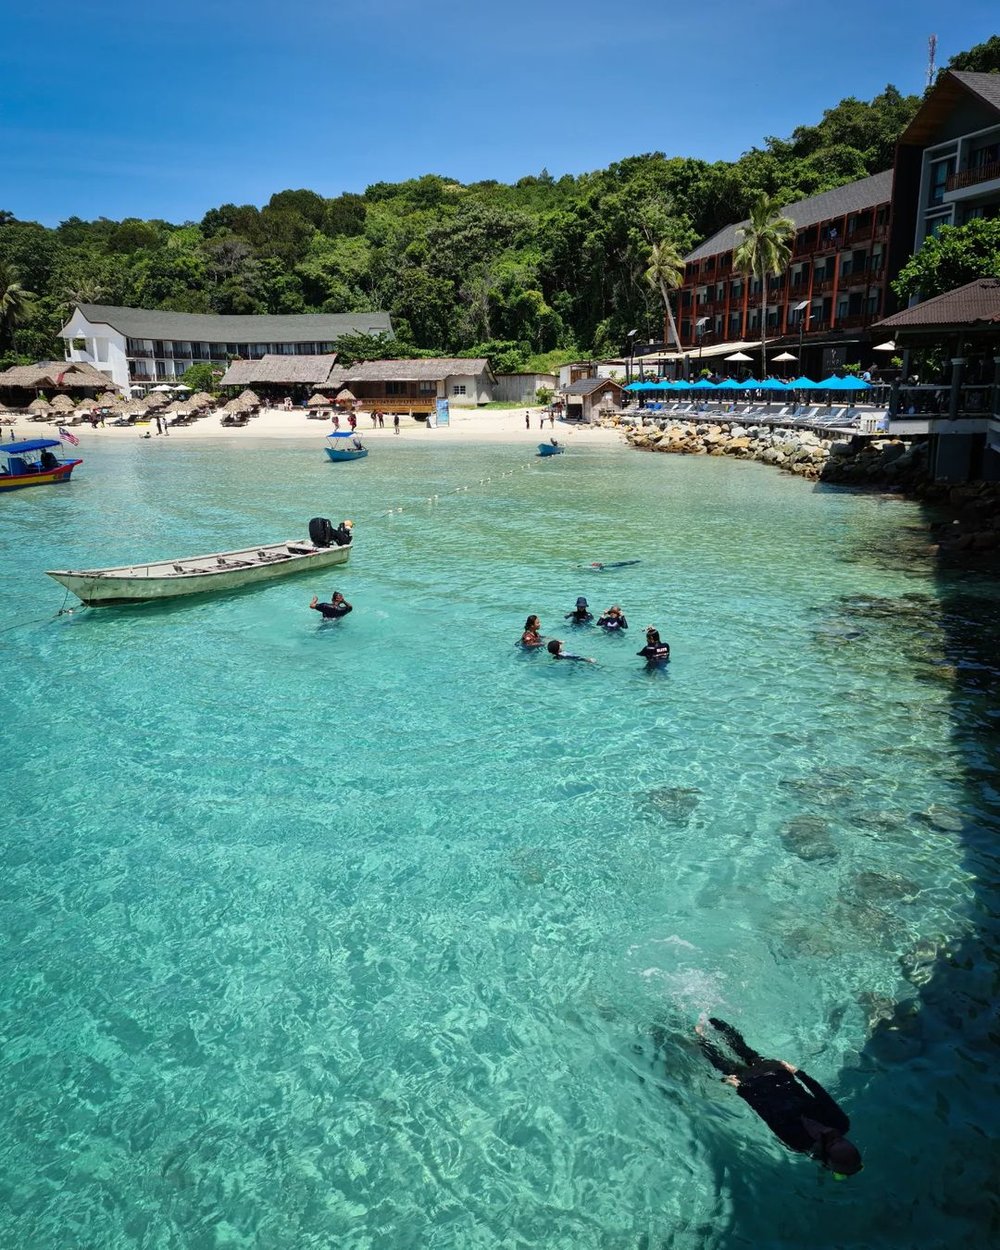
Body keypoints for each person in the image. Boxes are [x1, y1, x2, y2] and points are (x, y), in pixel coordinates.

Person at [697, 1018, 863, 1180]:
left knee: (746, 1053)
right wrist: (741, 1089)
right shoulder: (799, 1143)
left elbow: (820, 1093)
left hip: (779, 1076)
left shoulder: (841, 1123)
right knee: (723, 1063)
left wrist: (796, 1072)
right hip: (756, 1087)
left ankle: (712, 1021)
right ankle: (699, 1036)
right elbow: (768, 1115)